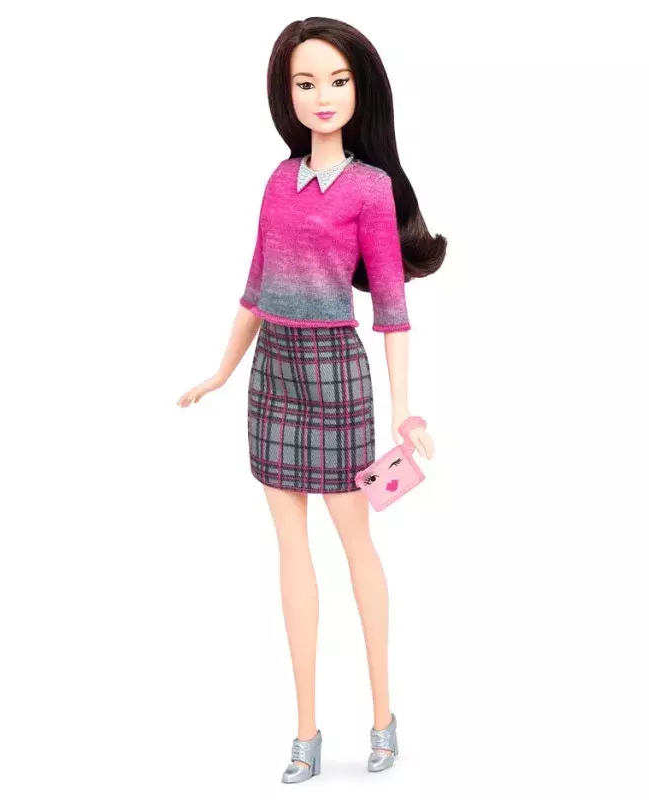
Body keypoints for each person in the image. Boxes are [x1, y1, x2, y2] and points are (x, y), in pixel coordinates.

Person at [177, 16, 446, 783]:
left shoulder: (369, 188)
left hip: (334, 376)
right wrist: (222, 370)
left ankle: (383, 716)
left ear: (360, 89)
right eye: (305, 82)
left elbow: (391, 307)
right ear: (285, 93)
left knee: (356, 543)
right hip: (272, 375)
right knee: (290, 550)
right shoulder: (277, 179)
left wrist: (403, 408)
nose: (322, 95)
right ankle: (305, 731)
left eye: (337, 80)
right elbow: (255, 288)